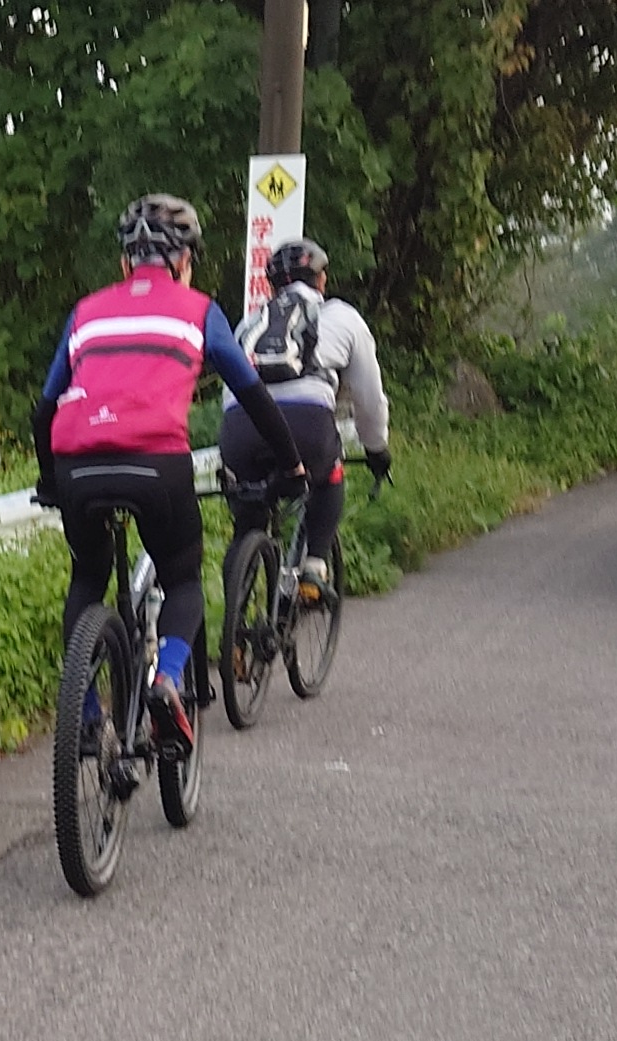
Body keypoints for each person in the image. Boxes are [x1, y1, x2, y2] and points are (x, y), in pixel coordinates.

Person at [34, 193, 302, 740]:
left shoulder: (85, 312)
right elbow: (252, 394)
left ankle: (83, 716)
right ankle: (169, 679)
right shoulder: (199, 310)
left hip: (76, 464)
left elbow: (44, 409)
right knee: (182, 579)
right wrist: (292, 464)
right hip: (156, 461)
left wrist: (48, 479)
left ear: (125, 262)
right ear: (183, 261)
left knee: (87, 577)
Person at [228, 238, 392, 597]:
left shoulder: (249, 324)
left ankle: (234, 615)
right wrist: (376, 448)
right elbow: (369, 399)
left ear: (272, 286)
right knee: (330, 473)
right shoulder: (342, 316)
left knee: (247, 521)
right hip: (307, 426)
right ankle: (314, 566)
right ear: (321, 280)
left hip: (241, 428)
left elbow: (230, 389)